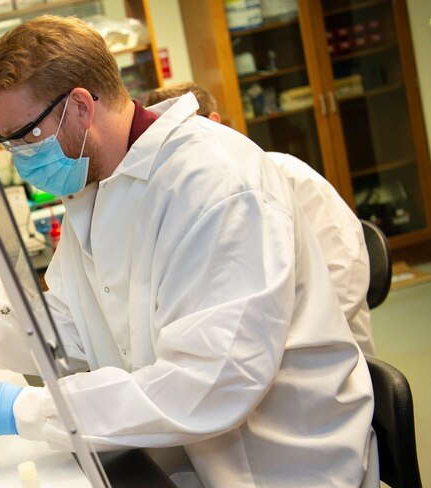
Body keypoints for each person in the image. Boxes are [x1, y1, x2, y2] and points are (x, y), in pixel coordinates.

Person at [0, 15, 380, 488]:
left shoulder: (217, 185)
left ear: (81, 107)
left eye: (25, 137)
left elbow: (207, 385)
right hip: (186, 470)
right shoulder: (100, 189)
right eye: (7, 142)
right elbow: (62, 327)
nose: (19, 158)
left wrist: (18, 408)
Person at [148, 82, 376, 355]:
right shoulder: (182, 197)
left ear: (214, 123)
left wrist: (276, 345)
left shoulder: (286, 173)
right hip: (248, 351)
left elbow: (346, 273)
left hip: (319, 350)